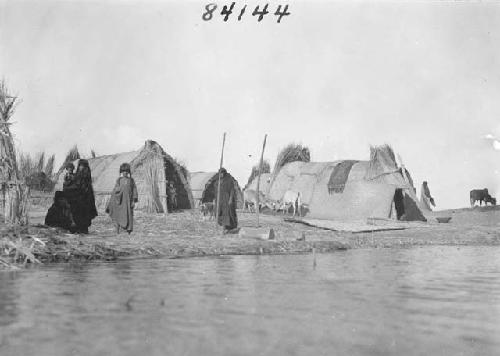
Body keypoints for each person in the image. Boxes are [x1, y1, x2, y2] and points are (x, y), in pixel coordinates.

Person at [64, 159, 98, 234]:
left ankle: (83, 230)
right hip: (78, 198)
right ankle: (78, 229)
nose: (80, 167)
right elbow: (74, 183)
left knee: (84, 214)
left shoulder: (86, 175)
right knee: (77, 214)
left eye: (82, 166)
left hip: (85, 198)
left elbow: (82, 186)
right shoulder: (77, 174)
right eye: (79, 166)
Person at [106, 163, 138, 234]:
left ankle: (128, 230)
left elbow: (134, 190)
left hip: (128, 202)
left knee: (129, 215)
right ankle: (118, 229)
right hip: (120, 201)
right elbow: (115, 190)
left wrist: (133, 201)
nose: (125, 172)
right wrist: (119, 190)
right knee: (118, 215)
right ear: (121, 172)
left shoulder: (131, 180)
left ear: (129, 172)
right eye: (123, 171)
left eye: (126, 171)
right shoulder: (119, 180)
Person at [214, 168, 238, 234]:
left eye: (222, 173)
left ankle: (224, 229)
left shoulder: (229, 181)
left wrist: (230, 199)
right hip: (219, 200)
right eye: (220, 173)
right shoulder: (217, 181)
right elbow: (216, 191)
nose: (221, 174)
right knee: (218, 213)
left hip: (226, 199)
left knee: (226, 214)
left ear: (224, 173)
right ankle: (224, 227)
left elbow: (232, 190)